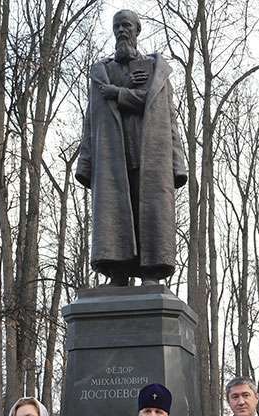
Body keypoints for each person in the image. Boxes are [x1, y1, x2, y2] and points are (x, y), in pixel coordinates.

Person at [74, 8, 187, 286]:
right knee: (116, 213)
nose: (121, 31)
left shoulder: (154, 70)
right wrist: (85, 163)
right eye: (117, 27)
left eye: (126, 26)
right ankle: (118, 272)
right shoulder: (104, 72)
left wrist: (178, 163)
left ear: (137, 30)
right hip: (113, 157)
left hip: (151, 155)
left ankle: (151, 272)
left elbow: (168, 116)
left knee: (148, 213)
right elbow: (91, 120)